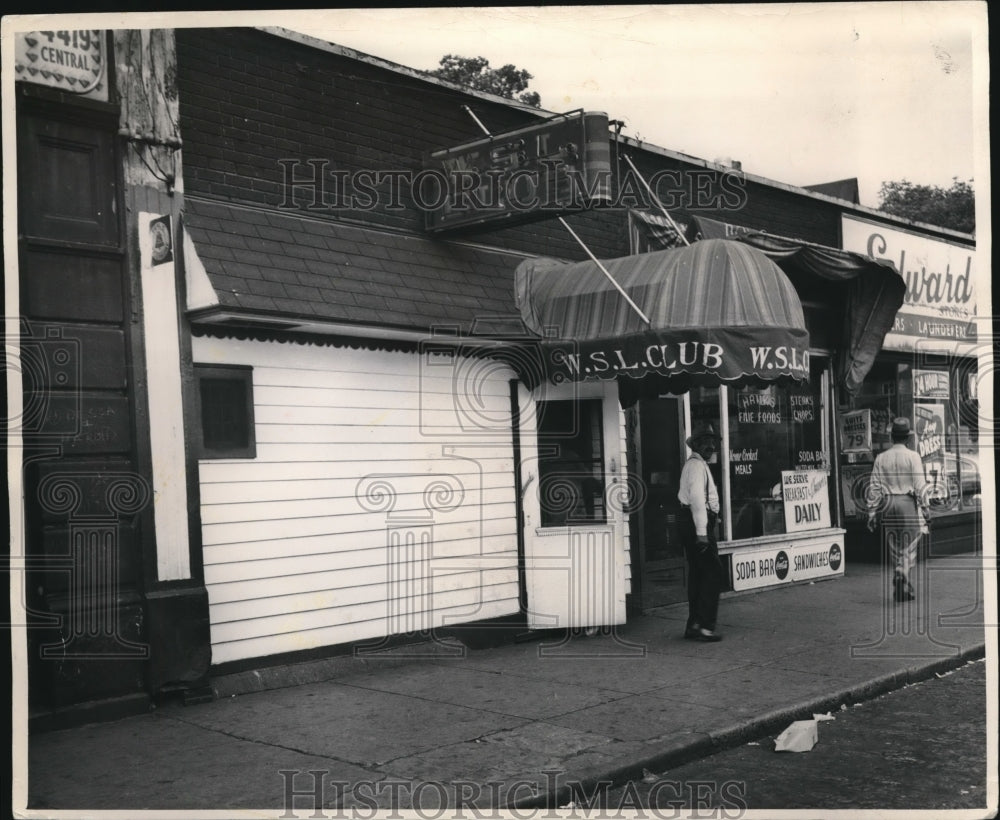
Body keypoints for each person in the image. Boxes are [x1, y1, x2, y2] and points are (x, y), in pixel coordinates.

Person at [866, 417, 930, 602]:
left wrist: (872, 512)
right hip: (907, 503)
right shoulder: (913, 457)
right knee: (910, 545)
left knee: (895, 546)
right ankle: (901, 572)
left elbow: (874, 487)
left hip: (887, 504)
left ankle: (904, 587)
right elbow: (920, 485)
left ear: (892, 437)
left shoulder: (881, 458)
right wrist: (925, 508)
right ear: (908, 438)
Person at [677, 423, 723, 641]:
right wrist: (702, 532)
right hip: (697, 524)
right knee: (712, 574)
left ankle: (694, 624)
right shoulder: (696, 466)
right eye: (706, 442)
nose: (711, 446)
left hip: (693, 522)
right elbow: (696, 500)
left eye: (712, 442)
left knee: (698, 573)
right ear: (696, 444)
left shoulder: (695, 465)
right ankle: (705, 626)